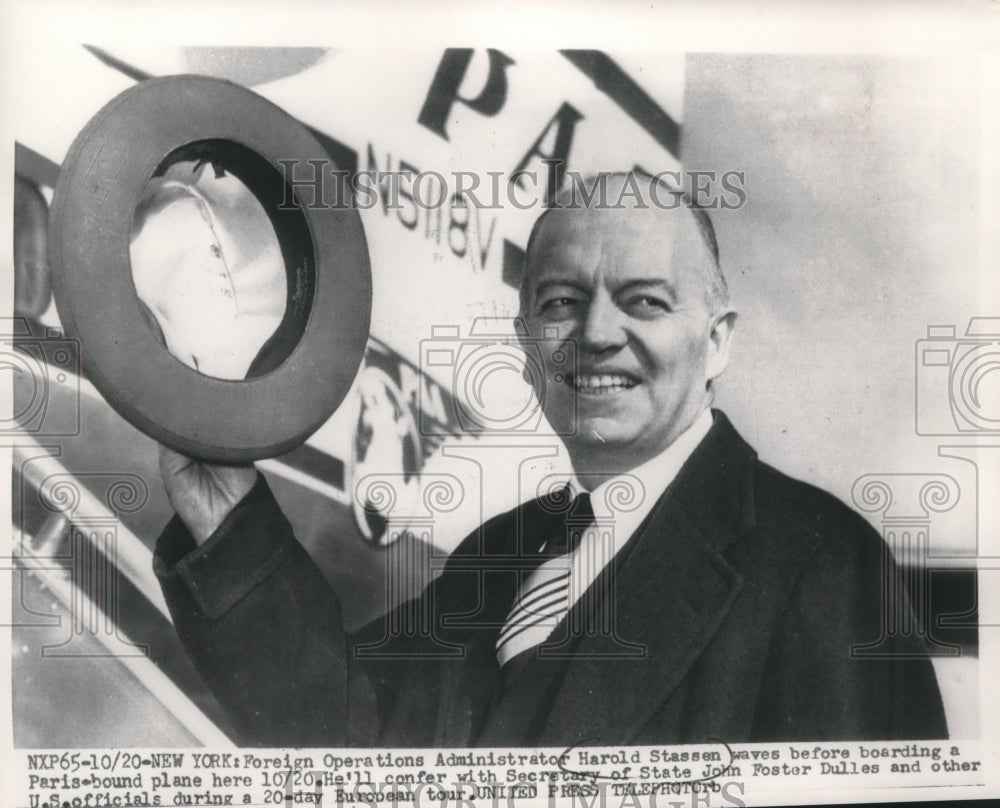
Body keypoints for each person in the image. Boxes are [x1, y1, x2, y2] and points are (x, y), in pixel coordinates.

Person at [153, 172, 948, 748]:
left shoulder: (822, 563)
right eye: (561, 302)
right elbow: (340, 738)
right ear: (526, 346)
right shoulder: (497, 555)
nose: (597, 334)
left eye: (645, 301)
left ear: (718, 341)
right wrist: (226, 514)